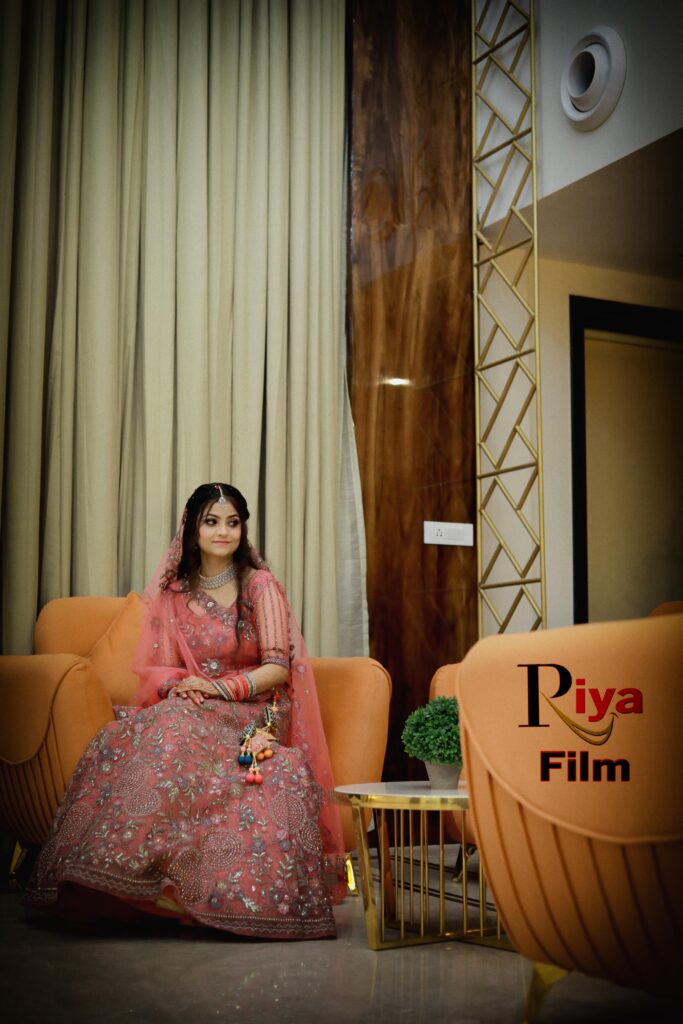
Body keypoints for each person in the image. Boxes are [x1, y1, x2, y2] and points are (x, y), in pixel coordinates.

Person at [25, 483, 346, 939]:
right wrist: (180, 686)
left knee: (177, 726)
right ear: (192, 529)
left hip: (253, 710)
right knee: (128, 736)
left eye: (232, 523)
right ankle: (126, 877)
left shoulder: (259, 585)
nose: (223, 532)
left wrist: (216, 687)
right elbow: (160, 668)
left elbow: (277, 668)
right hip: (195, 706)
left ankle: (180, 890)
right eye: (211, 522)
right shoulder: (175, 593)